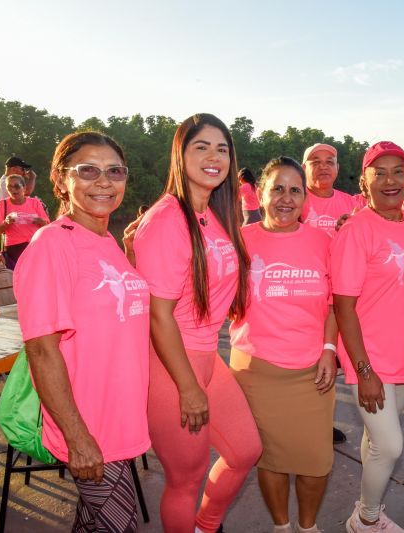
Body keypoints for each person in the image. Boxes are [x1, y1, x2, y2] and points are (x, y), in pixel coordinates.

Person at [13, 131, 151, 531]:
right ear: (61, 180)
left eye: (115, 171)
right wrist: (78, 437)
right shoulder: (52, 245)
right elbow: (42, 350)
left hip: (120, 422)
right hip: (90, 429)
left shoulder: (107, 241)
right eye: (88, 170)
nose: (104, 181)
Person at [132, 113, 261, 533]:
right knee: (185, 480)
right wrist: (187, 387)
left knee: (244, 451)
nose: (213, 156)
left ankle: (206, 526)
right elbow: (158, 314)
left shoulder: (216, 214)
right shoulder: (168, 219)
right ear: (180, 154)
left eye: (222, 148)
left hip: (206, 354)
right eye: (201, 147)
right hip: (173, 365)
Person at [229, 156, 336, 533]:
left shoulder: (324, 242)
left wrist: (329, 350)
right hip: (256, 373)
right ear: (259, 195)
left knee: (316, 460)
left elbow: (335, 304)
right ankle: (282, 526)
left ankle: (308, 527)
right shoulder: (239, 243)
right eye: (277, 189)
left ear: (305, 198)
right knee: (270, 459)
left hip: (313, 373)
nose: (286, 198)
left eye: (295, 190)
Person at [332, 141, 404, 532]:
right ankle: (367, 519)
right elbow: (343, 306)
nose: (390, 180)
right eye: (380, 172)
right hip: (370, 358)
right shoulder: (356, 230)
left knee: (377, 442)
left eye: (398, 171)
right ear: (364, 180)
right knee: (390, 445)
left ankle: (366, 506)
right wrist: (364, 370)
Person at [301, 142, 359, 444]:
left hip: (340, 300)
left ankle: (323, 421)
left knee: (331, 362)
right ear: (304, 168)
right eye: (315, 160)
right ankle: (304, 421)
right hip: (305, 298)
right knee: (305, 365)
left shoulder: (352, 203)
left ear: (338, 168)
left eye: (330, 161)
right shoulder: (296, 200)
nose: (323, 166)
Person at [0, 173, 50, 268]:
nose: (13, 190)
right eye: (9, 187)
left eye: (17, 186)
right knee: (20, 276)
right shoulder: (2, 204)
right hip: (14, 247)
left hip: (35, 244)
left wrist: (41, 221)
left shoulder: (35, 202)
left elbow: (47, 225)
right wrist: (6, 223)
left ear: (24, 188)